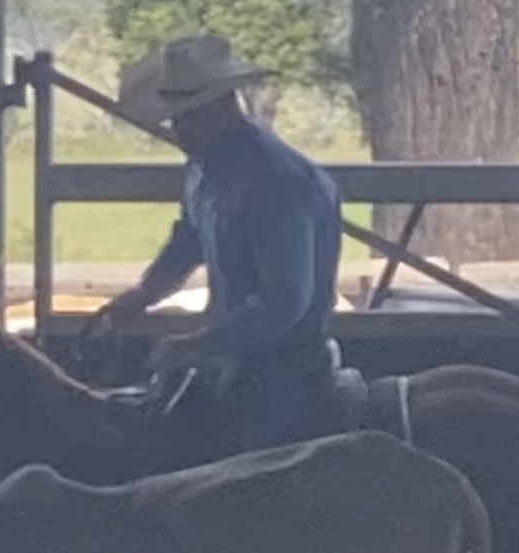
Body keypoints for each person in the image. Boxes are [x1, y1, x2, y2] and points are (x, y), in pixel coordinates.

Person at [98, 34, 345, 456]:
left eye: (190, 117)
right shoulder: (205, 170)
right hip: (229, 353)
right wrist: (144, 293)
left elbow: (284, 303)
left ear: (225, 105)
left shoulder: (278, 183)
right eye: (175, 118)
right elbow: (189, 238)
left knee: (228, 459)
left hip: (283, 364)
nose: (179, 129)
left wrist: (197, 344)